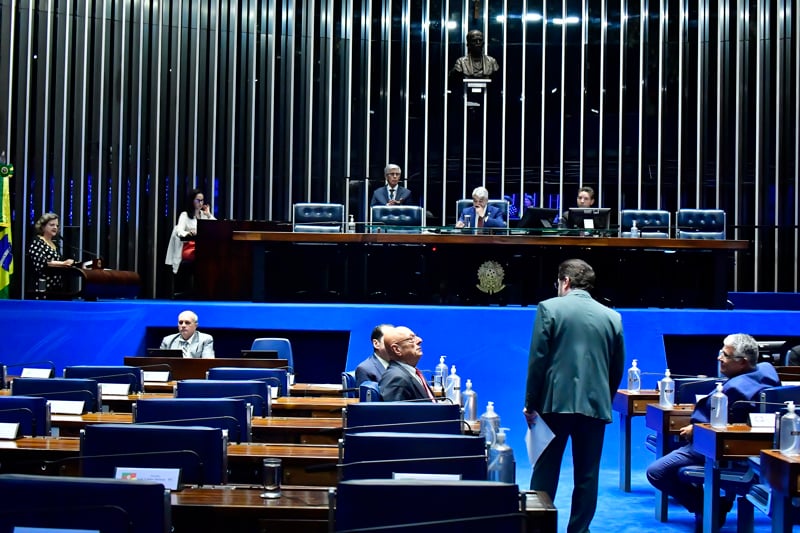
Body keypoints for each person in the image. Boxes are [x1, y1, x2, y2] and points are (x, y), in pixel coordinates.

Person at [523, 258, 625, 533]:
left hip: (554, 404)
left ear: (565, 281)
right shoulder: (612, 316)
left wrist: (531, 403)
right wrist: (604, 397)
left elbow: (538, 361)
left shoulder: (549, 308)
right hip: (595, 405)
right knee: (588, 475)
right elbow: (617, 367)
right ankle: (579, 530)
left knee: (545, 470)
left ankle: (539, 528)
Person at [645, 333, 780, 529]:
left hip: (712, 447)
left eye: (725, 355)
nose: (719, 358)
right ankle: (709, 507)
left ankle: (708, 508)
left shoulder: (737, 390)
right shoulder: (764, 375)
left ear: (742, 362)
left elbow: (725, 426)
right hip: (720, 445)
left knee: (656, 472)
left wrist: (696, 429)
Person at [165, 188, 216, 274]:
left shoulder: (204, 215)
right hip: (189, 247)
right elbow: (179, 231)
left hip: (202, 247)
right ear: (192, 201)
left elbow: (217, 226)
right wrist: (189, 233)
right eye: (198, 200)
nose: (200, 203)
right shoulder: (185, 215)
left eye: (202, 200)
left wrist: (209, 215)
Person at [379, 326, 436, 402]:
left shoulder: (411, 372)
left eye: (416, 336)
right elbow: (395, 413)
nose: (420, 340)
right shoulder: (396, 378)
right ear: (397, 349)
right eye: (411, 339)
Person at [27, 212, 75, 291]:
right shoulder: (37, 241)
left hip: (56, 287)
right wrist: (63, 263)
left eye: (57, 225)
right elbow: (42, 263)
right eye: (52, 225)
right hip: (42, 288)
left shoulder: (55, 244)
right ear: (42, 226)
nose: (55, 227)